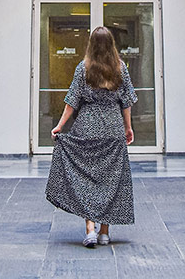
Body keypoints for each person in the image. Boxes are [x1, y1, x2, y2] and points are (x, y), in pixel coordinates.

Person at [45, 26, 137, 247]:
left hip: (87, 128)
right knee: (111, 180)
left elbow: (72, 100)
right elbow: (126, 102)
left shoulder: (83, 68)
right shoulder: (120, 68)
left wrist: (59, 126)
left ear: (91, 45)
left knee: (88, 179)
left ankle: (90, 230)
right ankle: (105, 232)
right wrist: (128, 127)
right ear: (112, 45)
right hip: (113, 129)